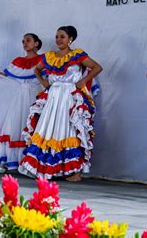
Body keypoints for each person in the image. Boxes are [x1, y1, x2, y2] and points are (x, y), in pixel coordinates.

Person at [18, 26, 102, 182]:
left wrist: (83, 81)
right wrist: (44, 82)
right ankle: (48, 168)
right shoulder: (50, 56)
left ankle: (72, 171)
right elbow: (37, 70)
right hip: (53, 98)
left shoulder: (77, 54)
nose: (58, 40)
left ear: (70, 39)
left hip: (69, 97)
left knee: (68, 130)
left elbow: (97, 67)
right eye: (57, 36)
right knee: (49, 130)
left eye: (62, 36)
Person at [0, 33, 43, 173]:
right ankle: (9, 160)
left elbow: (47, 76)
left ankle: (31, 162)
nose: (25, 43)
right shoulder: (18, 61)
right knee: (13, 126)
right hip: (17, 99)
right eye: (23, 41)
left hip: (33, 96)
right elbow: (5, 74)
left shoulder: (43, 59)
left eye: (28, 40)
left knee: (30, 126)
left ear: (36, 43)